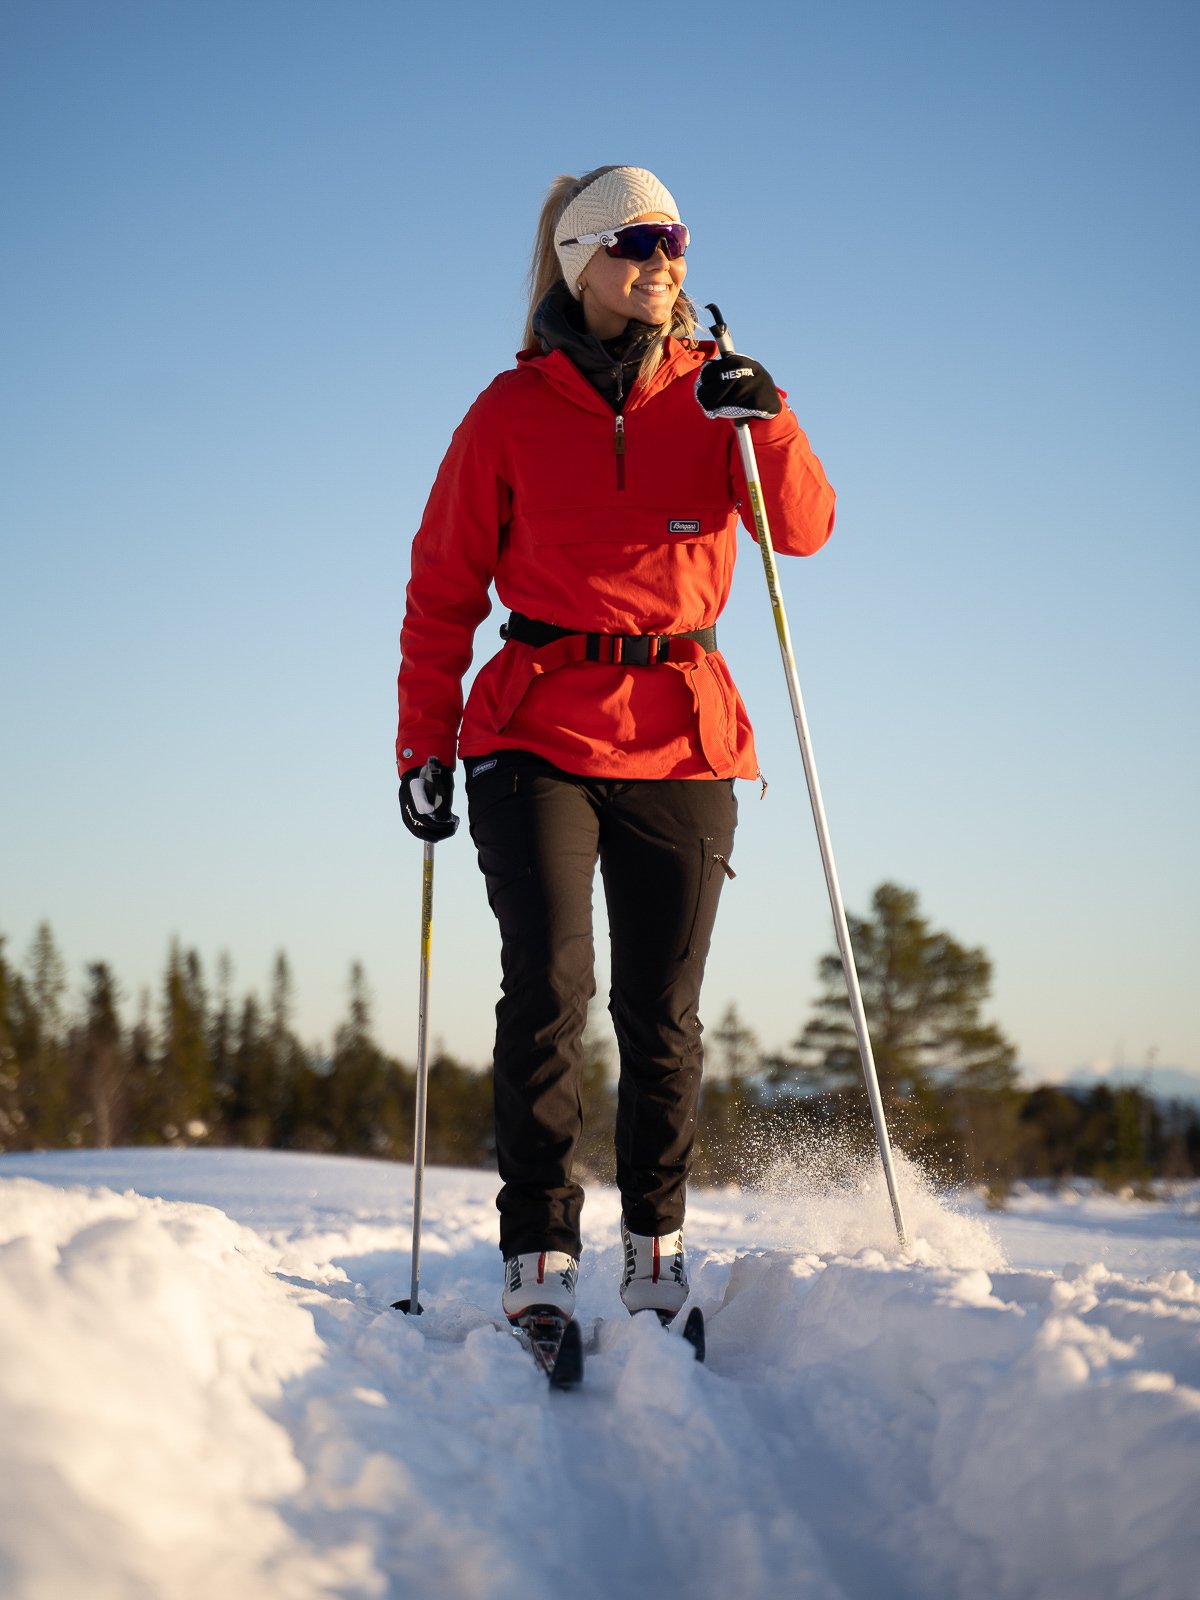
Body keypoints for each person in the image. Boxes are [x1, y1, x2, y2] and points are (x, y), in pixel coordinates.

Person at [396, 165, 834, 1333]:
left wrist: (772, 416)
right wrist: (420, 745)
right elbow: (442, 590)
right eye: (640, 243)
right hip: (533, 727)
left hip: (684, 733)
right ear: (581, 259)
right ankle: (537, 1253)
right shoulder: (507, 410)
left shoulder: (720, 396)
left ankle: (654, 1249)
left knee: (662, 1009)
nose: (665, 263)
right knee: (547, 987)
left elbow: (805, 530)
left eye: (677, 242)